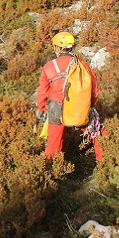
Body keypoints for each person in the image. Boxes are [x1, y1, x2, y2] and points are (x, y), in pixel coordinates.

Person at [36, 32, 102, 160]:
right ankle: (104, 162)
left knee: (53, 144)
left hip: (56, 108)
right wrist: (90, 106)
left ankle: (52, 168)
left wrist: (42, 110)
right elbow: (94, 90)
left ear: (58, 48)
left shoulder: (49, 67)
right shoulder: (82, 65)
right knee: (97, 134)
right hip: (79, 106)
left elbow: (42, 92)